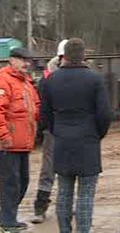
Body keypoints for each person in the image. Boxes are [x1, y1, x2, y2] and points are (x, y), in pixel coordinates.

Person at [41, 38, 111, 233]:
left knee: (63, 192)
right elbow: (104, 114)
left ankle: (64, 230)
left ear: (64, 56)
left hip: (62, 142)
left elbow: (44, 115)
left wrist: (57, 131)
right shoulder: (95, 79)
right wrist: (98, 133)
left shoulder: (50, 80)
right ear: (83, 56)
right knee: (86, 195)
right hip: (88, 141)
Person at [0, 47, 41, 233]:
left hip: (23, 142)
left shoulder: (26, 82)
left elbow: (35, 106)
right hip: (9, 144)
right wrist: (4, 136)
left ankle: (6, 216)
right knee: (11, 183)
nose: (26, 63)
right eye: (22, 60)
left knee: (22, 182)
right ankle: (7, 222)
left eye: (28, 60)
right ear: (11, 60)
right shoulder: (4, 81)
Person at [31, 39, 67, 224]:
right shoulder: (48, 78)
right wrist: (47, 128)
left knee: (69, 170)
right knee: (48, 170)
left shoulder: (77, 75)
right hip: (53, 131)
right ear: (60, 57)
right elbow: (43, 107)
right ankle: (40, 207)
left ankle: (66, 205)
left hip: (69, 131)